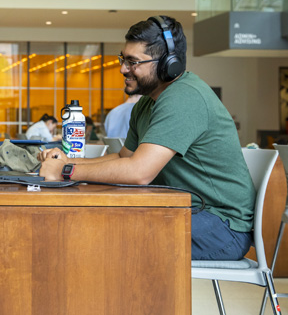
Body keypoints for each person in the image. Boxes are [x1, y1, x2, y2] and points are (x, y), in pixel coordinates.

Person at [39, 16, 255, 261]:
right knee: (100, 223)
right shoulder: (146, 104)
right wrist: (66, 161)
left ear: (168, 64)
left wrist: (66, 171)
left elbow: (138, 173)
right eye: (123, 59)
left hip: (222, 226)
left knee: (110, 234)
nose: (122, 69)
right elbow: (124, 158)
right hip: (191, 211)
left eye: (133, 62)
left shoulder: (184, 98)